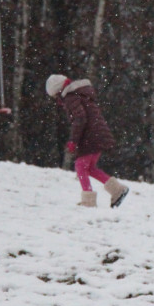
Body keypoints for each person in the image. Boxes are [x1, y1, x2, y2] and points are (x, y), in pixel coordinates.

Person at [46, 74, 130, 208]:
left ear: (59, 90)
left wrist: (73, 141)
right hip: (98, 133)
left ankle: (88, 202)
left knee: (80, 166)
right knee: (89, 168)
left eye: (56, 96)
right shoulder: (80, 94)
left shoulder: (71, 97)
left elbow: (79, 119)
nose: (57, 100)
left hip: (90, 135)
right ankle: (117, 190)